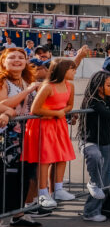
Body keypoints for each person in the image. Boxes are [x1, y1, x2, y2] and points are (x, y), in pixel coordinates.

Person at [0, 48, 44, 227]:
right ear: (3, 62)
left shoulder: (26, 81)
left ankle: (18, 214)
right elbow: (3, 104)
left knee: (25, 176)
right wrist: (25, 93)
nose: (17, 60)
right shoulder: (3, 81)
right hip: (8, 138)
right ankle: (3, 223)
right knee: (8, 179)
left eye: (21, 57)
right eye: (12, 58)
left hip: (27, 135)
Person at [25, 58, 78, 209]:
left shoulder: (70, 86)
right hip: (43, 126)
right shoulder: (47, 86)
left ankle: (58, 189)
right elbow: (35, 109)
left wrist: (59, 113)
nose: (75, 71)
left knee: (63, 156)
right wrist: (56, 113)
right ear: (62, 70)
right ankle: (43, 192)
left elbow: (69, 106)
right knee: (45, 159)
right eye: (72, 69)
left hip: (58, 124)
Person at [78, 70, 110, 222]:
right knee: (95, 157)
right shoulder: (92, 101)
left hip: (106, 141)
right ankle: (92, 184)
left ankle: (92, 211)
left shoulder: (109, 98)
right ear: (99, 86)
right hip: (90, 140)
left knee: (104, 177)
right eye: (108, 85)